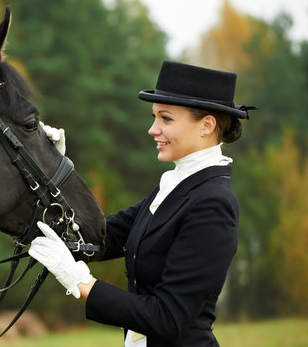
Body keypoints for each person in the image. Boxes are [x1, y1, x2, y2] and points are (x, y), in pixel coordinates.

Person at [29, 60, 257, 347]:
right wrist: (53, 169)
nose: (153, 129)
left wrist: (82, 283)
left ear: (206, 125)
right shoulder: (175, 185)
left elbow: (168, 317)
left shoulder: (213, 204)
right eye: (154, 117)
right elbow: (98, 236)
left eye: (166, 119)